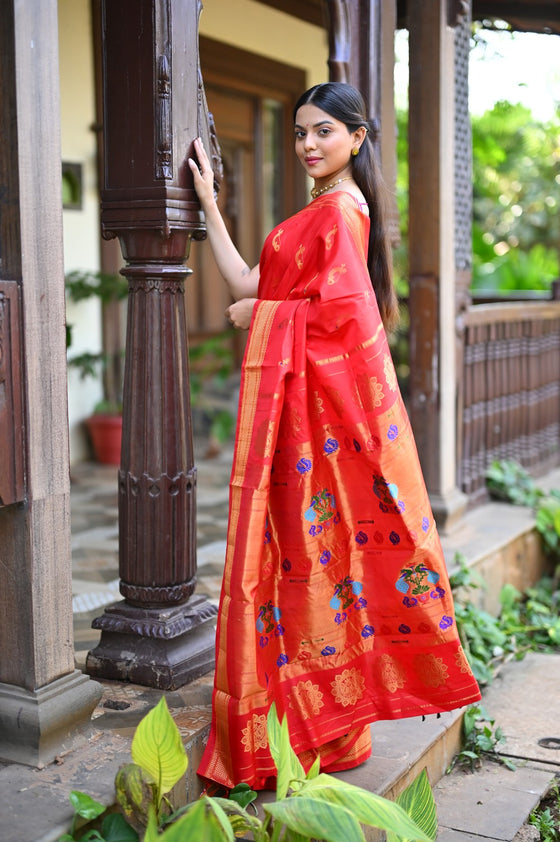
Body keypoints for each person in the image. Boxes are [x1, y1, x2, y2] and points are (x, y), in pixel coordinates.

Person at [188, 82, 481, 791]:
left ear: (357, 137)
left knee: (303, 560)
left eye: (323, 131)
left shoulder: (342, 215)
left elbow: (344, 330)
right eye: (298, 133)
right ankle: (311, 720)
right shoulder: (319, 215)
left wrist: (262, 315)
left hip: (311, 432)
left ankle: (313, 726)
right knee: (300, 560)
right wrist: (209, 209)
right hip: (297, 425)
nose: (308, 145)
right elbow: (251, 280)